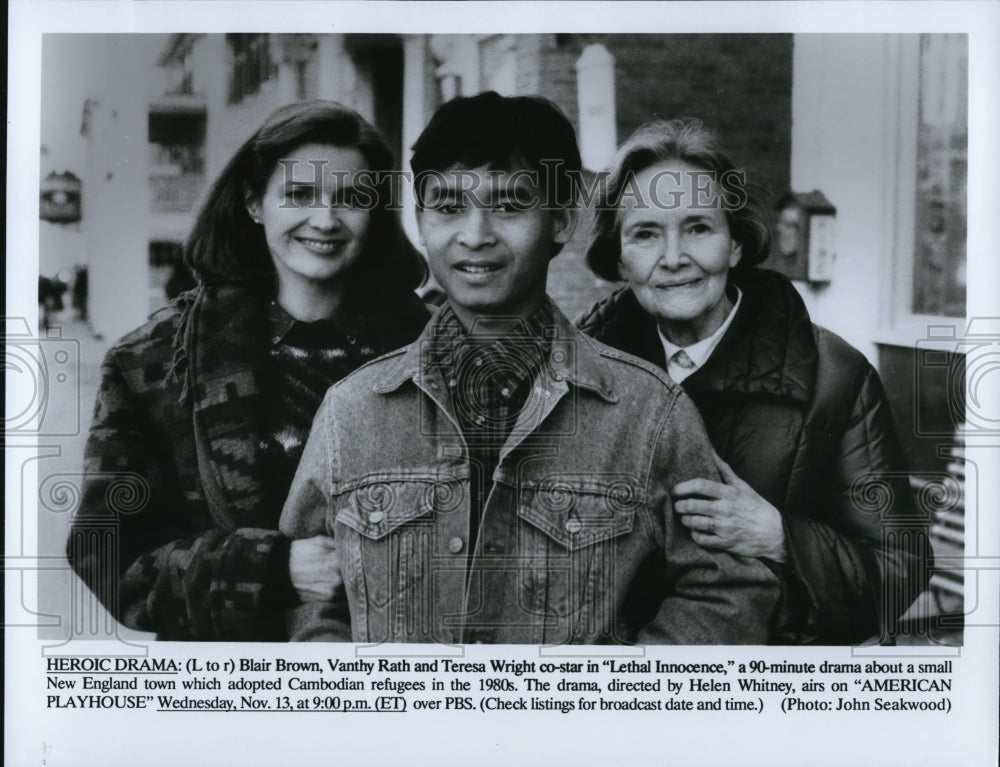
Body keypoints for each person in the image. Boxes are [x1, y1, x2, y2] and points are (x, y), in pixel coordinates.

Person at [280, 92, 778, 645]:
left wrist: (609, 701)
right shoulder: (351, 411)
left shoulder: (648, 413)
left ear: (561, 220)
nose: (475, 235)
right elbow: (308, 601)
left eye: (510, 206)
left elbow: (729, 592)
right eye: (447, 207)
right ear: (420, 222)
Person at [67, 100, 429, 640]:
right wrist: (270, 568)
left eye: (350, 198)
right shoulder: (154, 361)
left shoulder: (428, 349)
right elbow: (104, 553)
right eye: (300, 195)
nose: (325, 220)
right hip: (231, 690)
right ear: (254, 203)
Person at [577, 118, 931, 644]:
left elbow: (902, 569)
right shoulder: (582, 373)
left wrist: (783, 539)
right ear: (620, 259)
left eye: (698, 227)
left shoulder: (834, 376)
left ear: (736, 244)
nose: (674, 259)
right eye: (646, 234)